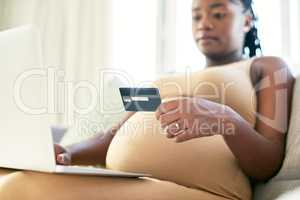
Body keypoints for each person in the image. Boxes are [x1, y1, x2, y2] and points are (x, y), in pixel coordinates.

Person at [54, 0, 295, 199]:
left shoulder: (267, 66)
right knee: (21, 182)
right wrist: (67, 151)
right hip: (133, 182)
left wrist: (225, 118)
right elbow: (109, 137)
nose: (205, 24)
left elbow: (269, 161)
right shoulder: (165, 78)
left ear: (246, 21)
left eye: (218, 14)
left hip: (207, 192)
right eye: (196, 16)